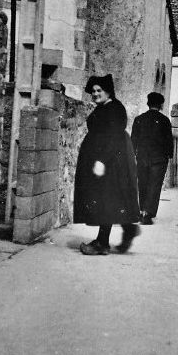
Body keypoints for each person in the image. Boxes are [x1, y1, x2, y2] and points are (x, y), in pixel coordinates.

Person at [73, 74, 141, 255]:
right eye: (93, 91)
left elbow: (114, 137)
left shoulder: (115, 109)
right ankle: (129, 229)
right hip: (105, 159)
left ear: (108, 91)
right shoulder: (104, 107)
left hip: (112, 162)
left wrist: (102, 161)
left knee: (106, 199)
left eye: (99, 90)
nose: (95, 94)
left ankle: (102, 243)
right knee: (112, 199)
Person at [131, 92, 173, 225]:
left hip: (142, 157)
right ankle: (148, 214)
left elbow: (133, 140)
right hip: (159, 159)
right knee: (154, 186)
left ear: (148, 103)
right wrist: (169, 155)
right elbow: (169, 141)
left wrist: (133, 155)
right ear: (160, 105)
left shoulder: (139, 119)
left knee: (142, 184)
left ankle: (142, 210)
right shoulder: (165, 120)